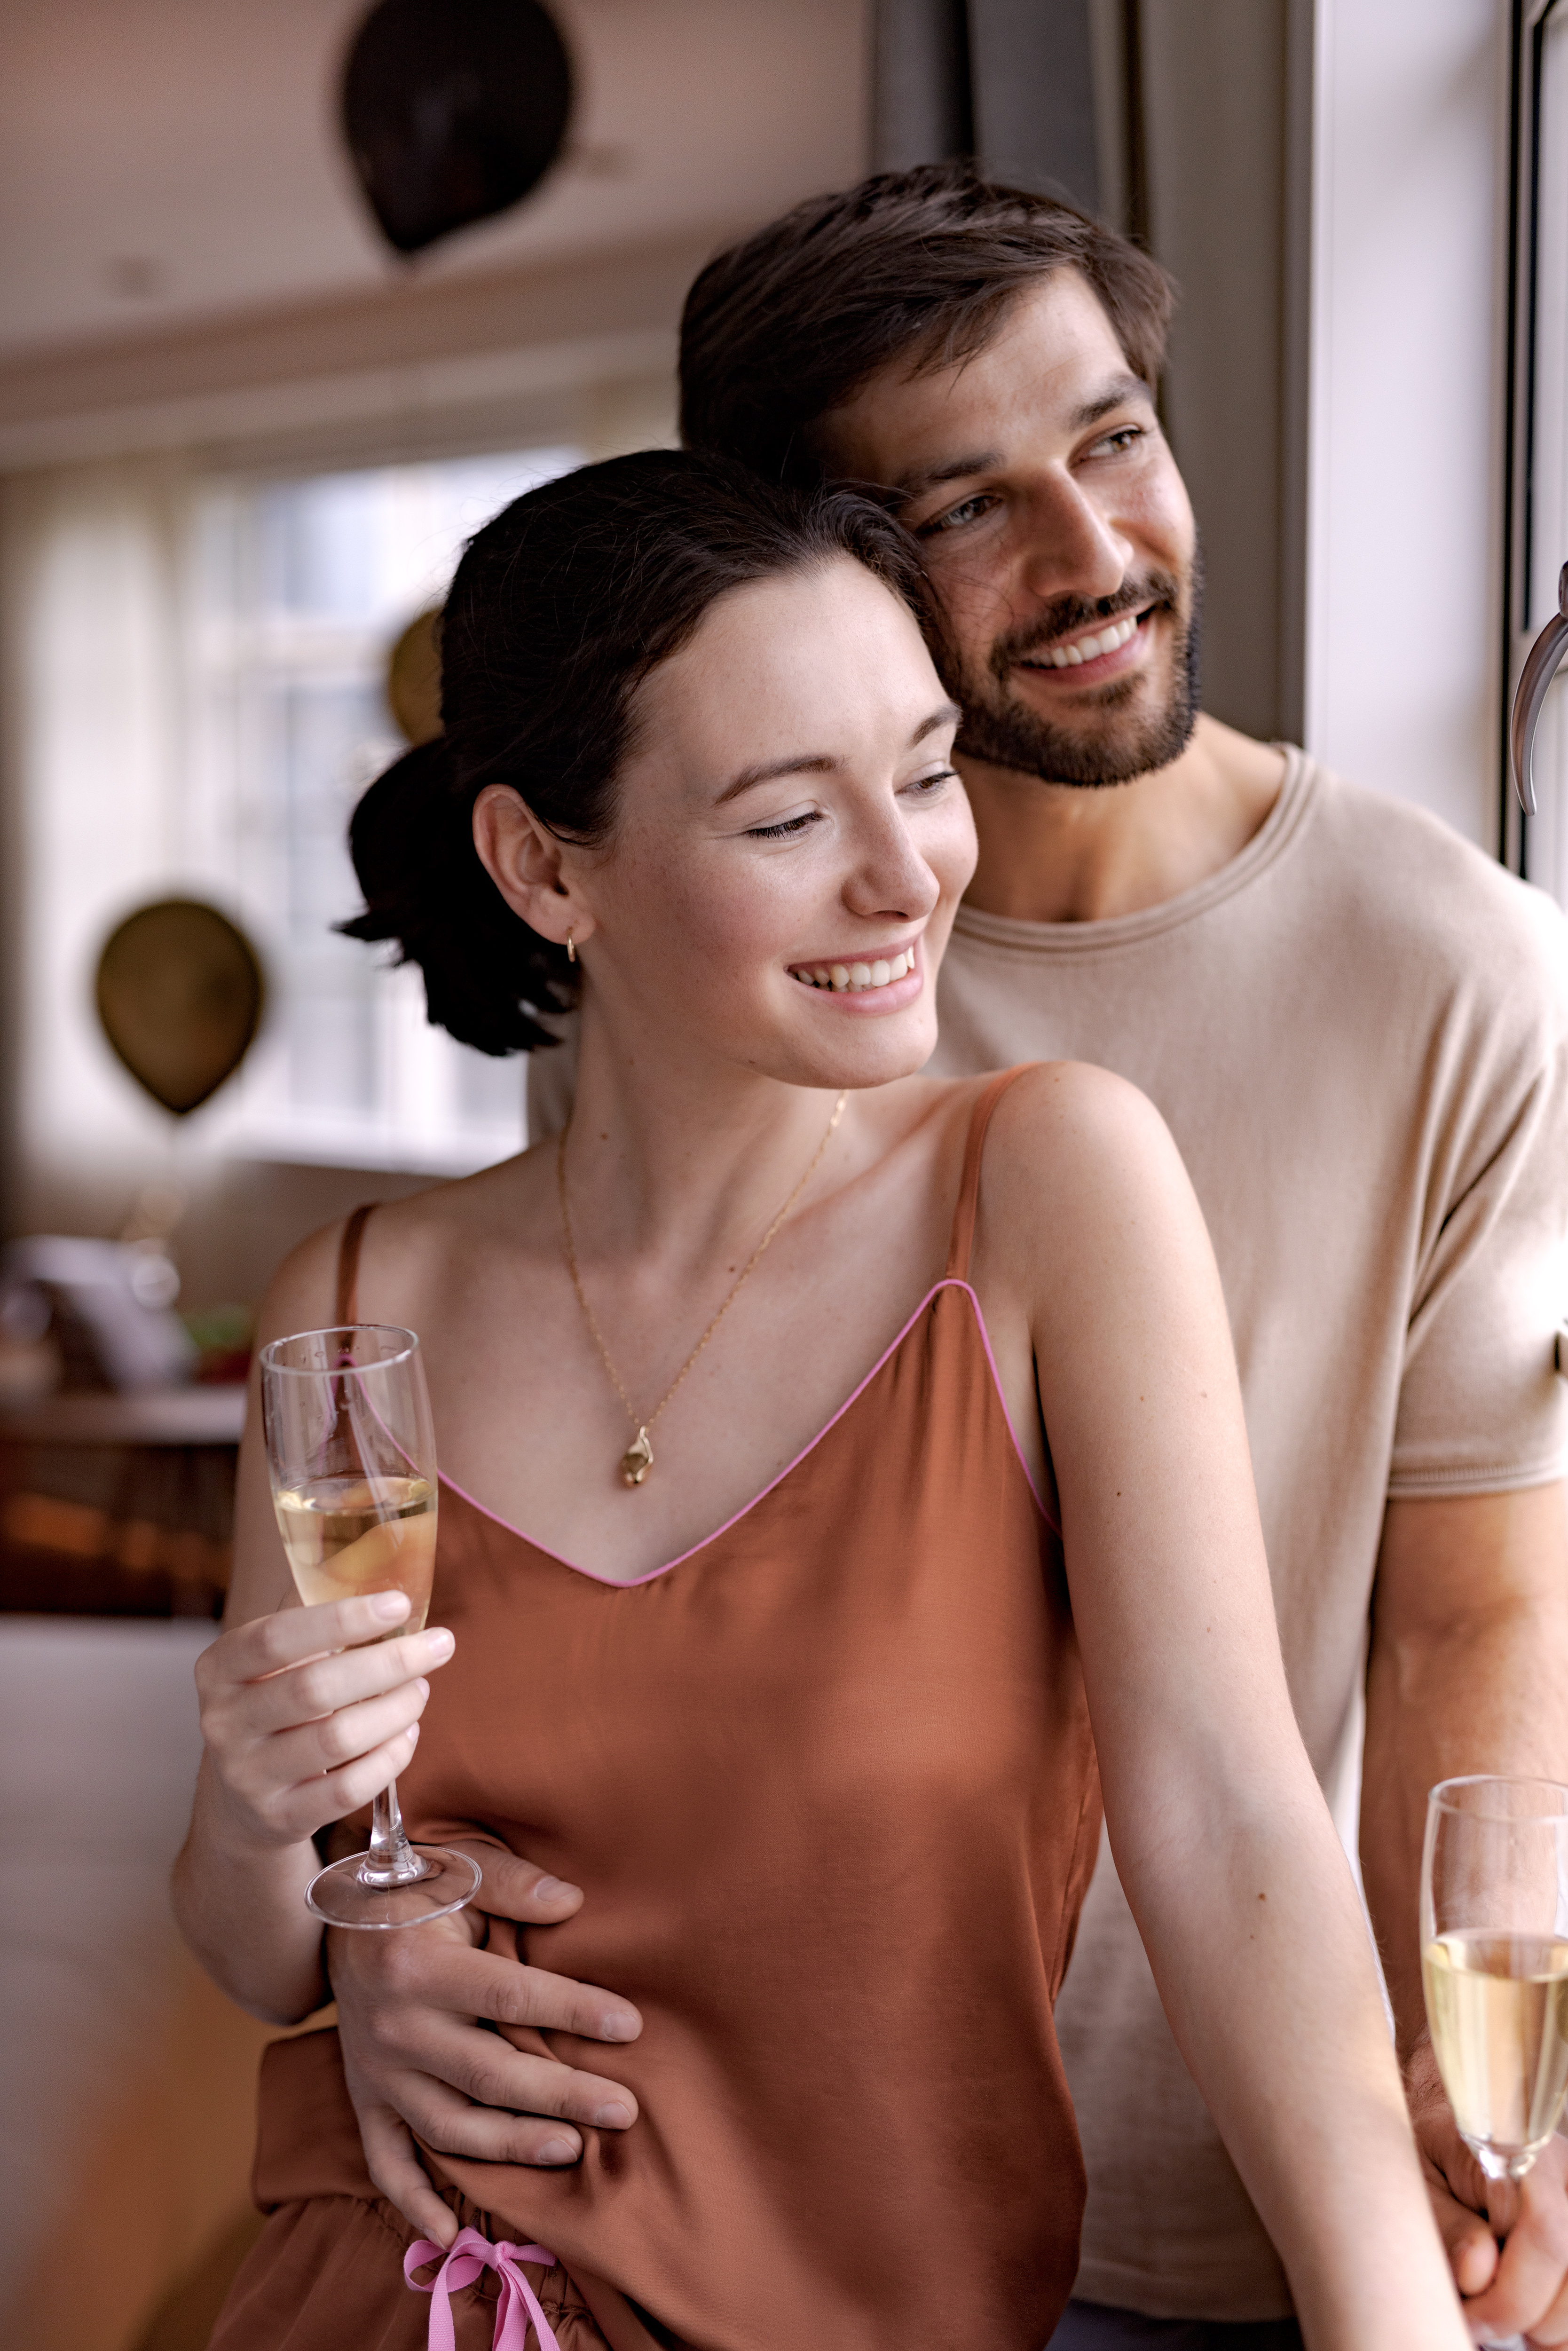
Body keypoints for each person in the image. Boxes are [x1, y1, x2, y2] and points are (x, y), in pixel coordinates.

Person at [321, 171, 1568, 2349]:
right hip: (769, 2189)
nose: (1094, 557)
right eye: (969, 505)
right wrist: (368, 1922)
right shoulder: (743, 957)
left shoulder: (1454, 970)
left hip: (1269, 2167)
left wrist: (1463, 2130)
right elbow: (579, 1570)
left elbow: (1477, 1624)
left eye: (1116, 437)